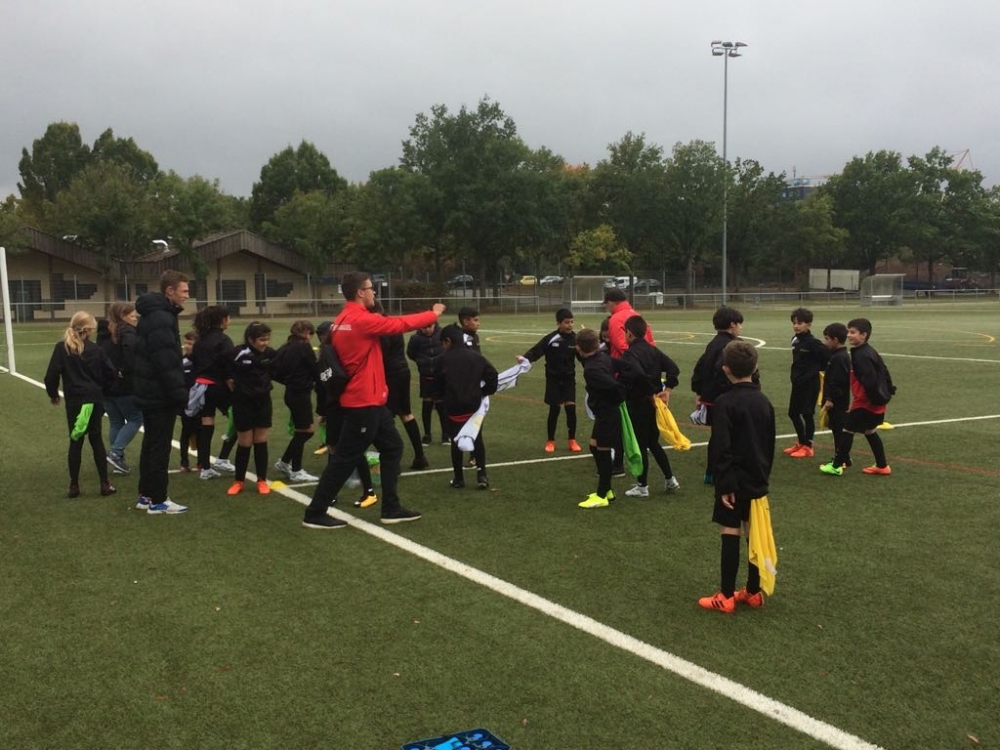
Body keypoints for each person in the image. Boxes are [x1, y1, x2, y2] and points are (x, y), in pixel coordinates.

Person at [301, 272, 446, 529]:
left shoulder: (343, 318)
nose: (374, 292)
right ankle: (315, 512)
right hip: (363, 402)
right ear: (360, 292)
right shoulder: (359, 320)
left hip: (371, 401)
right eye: (371, 288)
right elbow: (399, 325)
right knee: (345, 458)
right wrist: (432, 314)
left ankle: (391, 507)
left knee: (392, 447)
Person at [699, 340, 775, 614]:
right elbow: (768, 443)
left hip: (733, 480)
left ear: (726, 369)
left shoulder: (724, 402)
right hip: (757, 477)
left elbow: (722, 447)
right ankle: (753, 592)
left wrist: (725, 484)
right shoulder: (764, 401)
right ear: (755, 367)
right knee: (753, 532)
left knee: (730, 530)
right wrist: (763, 476)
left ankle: (726, 595)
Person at [132, 269, 190, 514]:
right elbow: (165, 361)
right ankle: (158, 499)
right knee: (159, 446)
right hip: (159, 394)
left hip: (150, 391)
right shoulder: (161, 317)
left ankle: (146, 495)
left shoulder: (156, 314)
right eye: (184, 291)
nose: (187, 295)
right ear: (170, 290)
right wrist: (180, 394)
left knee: (151, 443)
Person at [45, 311, 118, 498]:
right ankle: (104, 484)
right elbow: (111, 373)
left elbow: (51, 375)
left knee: (76, 441)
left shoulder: (62, 348)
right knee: (96, 440)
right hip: (94, 400)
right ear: (86, 330)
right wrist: (102, 390)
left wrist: (53, 394)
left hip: (75, 401)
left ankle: (74, 485)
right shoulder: (96, 350)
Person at [820, 318, 893, 477]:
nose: (849, 335)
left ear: (863, 335)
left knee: (847, 430)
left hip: (865, 403)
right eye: (848, 332)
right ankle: (882, 465)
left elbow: (870, 382)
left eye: (853, 332)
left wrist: (868, 400)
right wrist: (888, 392)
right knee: (870, 431)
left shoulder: (862, 355)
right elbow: (884, 372)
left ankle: (837, 465)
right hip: (873, 403)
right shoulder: (868, 351)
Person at [620, 315, 682, 497]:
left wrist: (649, 393)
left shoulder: (630, 354)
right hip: (654, 405)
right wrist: (667, 389)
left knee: (641, 444)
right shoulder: (653, 350)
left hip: (639, 403)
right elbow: (673, 369)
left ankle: (642, 486)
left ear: (629, 333)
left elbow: (638, 375)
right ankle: (670, 479)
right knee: (652, 442)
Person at [434, 324, 499, 489]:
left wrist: (442, 399)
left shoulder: (441, 360)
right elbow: (493, 376)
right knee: (477, 438)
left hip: (453, 407)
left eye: (443, 343)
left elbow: (438, 386)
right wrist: (483, 392)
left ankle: (458, 478)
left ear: (447, 341)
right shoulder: (476, 357)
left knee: (456, 440)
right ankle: (481, 475)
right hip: (474, 406)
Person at [691, 306, 746, 485]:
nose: (741, 328)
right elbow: (721, 371)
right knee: (731, 437)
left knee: (717, 436)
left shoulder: (713, 343)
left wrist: (699, 392)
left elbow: (700, 367)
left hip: (711, 398)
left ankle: (711, 472)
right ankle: (724, 472)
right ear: (732, 324)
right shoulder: (731, 345)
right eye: (739, 324)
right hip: (726, 399)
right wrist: (732, 392)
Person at [575, 328, 628, 509]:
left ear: (579, 347)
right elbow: (624, 368)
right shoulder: (602, 357)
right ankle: (607, 489)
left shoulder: (592, 369)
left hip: (608, 413)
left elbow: (614, 388)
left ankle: (602, 495)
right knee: (594, 446)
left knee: (603, 452)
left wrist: (620, 395)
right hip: (603, 413)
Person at [518, 308, 581, 454]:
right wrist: (525, 358)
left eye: (572, 322)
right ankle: (550, 440)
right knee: (555, 409)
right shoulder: (550, 339)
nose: (570, 325)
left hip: (569, 379)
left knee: (571, 409)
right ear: (558, 323)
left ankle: (572, 440)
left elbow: (583, 357)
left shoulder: (576, 339)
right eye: (566, 322)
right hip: (553, 379)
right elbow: (536, 351)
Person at [225, 322, 277, 496]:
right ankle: (238, 481)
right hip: (242, 403)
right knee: (245, 442)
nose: (265, 343)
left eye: (267, 339)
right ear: (250, 339)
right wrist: (228, 379)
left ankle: (262, 480)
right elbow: (219, 364)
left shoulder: (270, 354)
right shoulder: (237, 353)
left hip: (263, 402)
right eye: (261, 339)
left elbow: (280, 368)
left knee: (260, 441)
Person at [377, 303, 430, 471]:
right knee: (405, 414)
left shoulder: (381, 327)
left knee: (386, 416)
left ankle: (393, 460)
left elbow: (382, 353)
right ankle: (420, 456)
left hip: (389, 374)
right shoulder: (392, 323)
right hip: (402, 370)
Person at [272, 319, 321, 483]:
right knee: (305, 431)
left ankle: (285, 462)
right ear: (307, 332)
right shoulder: (304, 347)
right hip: (300, 394)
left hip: (291, 393)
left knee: (304, 430)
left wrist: (287, 380)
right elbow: (315, 369)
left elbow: (273, 368)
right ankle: (296, 470)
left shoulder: (286, 346)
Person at [97, 302, 143, 475]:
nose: (135, 318)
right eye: (132, 315)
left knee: (116, 422)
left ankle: (118, 461)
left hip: (106, 386)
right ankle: (116, 452)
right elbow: (131, 357)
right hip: (123, 386)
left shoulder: (103, 334)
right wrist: (127, 371)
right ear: (123, 316)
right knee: (135, 418)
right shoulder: (127, 333)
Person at [191, 305, 235, 480]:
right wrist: (231, 382)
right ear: (223, 320)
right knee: (241, 419)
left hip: (202, 387)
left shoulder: (200, 340)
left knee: (206, 424)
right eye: (228, 317)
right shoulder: (223, 340)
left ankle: (205, 468)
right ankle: (223, 457)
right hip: (219, 386)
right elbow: (229, 364)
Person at [783, 307, 830, 459]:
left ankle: (808, 447)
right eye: (794, 323)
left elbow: (827, 358)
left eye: (800, 323)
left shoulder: (813, 343)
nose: (796, 326)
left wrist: (814, 371)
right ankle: (801, 442)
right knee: (793, 413)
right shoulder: (795, 339)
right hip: (797, 383)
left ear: (809, 324)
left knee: (807, 414)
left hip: (810, 384)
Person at [407, 321, 449, 445]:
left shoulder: (442, 334)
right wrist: (421, 361)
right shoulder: (415, 338)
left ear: (434, 325)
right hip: (426, 377)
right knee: (427, 405)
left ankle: (445, 434)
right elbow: (411, 353)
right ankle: (427, 435)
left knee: (441, 405)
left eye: (429, 327)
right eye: (423, 327)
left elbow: (448, 348)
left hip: (441, 377)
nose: (427, 330)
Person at [819, 323, 851, 473]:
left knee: (839, 431)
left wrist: (830, 399)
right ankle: (844, 458)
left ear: (836, 340)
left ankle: (841, 460)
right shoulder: (837, 355)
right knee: (837, 430)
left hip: (838, 402)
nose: (825, 342)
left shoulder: (839, 358)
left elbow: (837, 381)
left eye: (827, 339)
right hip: (838, 399)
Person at [603, 287, 654, 358]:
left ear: (610, 302)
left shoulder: (615, 319)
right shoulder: (638, 315)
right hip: (644, 360)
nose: (607, 308)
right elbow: (651, 342)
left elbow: (621, 346)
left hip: (624, 362)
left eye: (607, 305)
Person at [178, 330, 200, 473]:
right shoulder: (182, 362)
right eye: (186, 343)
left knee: (201, 431)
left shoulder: (202, 361)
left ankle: (201, 462)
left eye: (190, 343)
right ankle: (184, 462)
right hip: (186, 402)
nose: (186, 346)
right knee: (186, 430)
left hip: (201, 402)